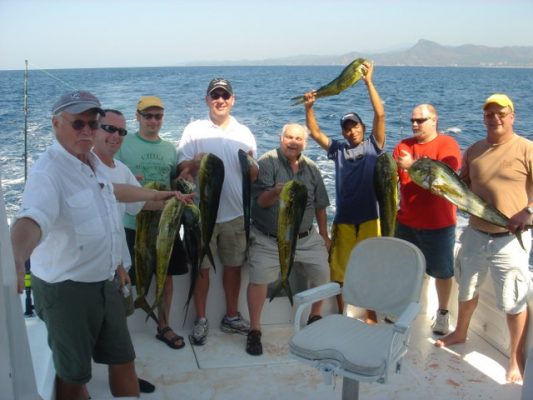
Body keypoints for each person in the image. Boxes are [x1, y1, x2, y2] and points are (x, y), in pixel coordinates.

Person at [10, 91, 141, 399]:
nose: (87, 130)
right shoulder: (48, 173)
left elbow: (107, 216)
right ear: (56, 124)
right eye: (78, 122)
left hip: (106, 282)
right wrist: (16, 258)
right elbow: (33, 218)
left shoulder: (94, 163)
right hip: (64, 291)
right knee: (73, 375)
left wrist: (118, 264)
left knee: (124, 358)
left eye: (93, 124)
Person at [93, 109, 193, 393]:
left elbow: (139, 203)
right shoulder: (83, 166)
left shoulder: (120, 171)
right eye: (108, 129)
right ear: (94, 130)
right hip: (88, 268)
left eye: (120, 132)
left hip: (116, 263)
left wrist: (174, 200)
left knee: (117, 326)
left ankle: (122, 378)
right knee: (95, 329)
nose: (115, 136)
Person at [435, 94, 533, 384]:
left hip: (510, 237)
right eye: (489, 114)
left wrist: (527, 211)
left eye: (501, 113)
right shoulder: (475, 150)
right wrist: (440, 183)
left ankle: (515, 358)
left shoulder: (527, 148)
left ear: (512, 116)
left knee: (514, 299)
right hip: (476, 233)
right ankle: (461, 331)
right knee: (467, 287)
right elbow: (462, 185)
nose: (495, 119)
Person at [303, 61, 385, 320]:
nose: (352, 130)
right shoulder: (337, 150)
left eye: (355, 125)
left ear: (362, 127)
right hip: (344, 219)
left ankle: (371, 313)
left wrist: (368, 82)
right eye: (347, 127)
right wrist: (309, 107)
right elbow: (315, 133)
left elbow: (380, 115)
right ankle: (342, 313)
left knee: (370, 268)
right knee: (339, 271)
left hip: (371, 218)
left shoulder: (374, 145)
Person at [178, 78, 257, 345]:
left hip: (235, 215)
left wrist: (252, 165)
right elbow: (182, 170)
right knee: (201, 269)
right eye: (215, 95)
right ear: (207, 100)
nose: (220, 100)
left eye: (225, 95)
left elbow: (253, 174)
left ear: (232, 100)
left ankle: (232, 317)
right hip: (201, 214)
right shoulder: (194, 130)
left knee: (233, 267)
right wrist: (193, 162)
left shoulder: (243, 132)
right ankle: (201, 319)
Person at [245, 123, 330, 355]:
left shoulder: (312, 168)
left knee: (323, 273)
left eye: (299, 139)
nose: (294, 142)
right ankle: (254, 330)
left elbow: (321, 205)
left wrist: (324, 235)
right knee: (259, 278)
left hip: (305, 238)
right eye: (289, 137)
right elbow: (259, 202)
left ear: (305, 143)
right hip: (268, 238)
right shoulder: (267, 162)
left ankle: (315, 316)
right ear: (281, 139)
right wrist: (274, 192)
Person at [116, 96, 188, 350]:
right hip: (132, 225)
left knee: (165, 277)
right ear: (137, 117)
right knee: (126, 279)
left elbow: (172, 183)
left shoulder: (170, 149)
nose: (153, 120)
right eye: (148, 116)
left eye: (158, 116)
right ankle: (117, 331)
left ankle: (164, 325)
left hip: (164, 228)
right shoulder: (123, 144)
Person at [393, 104, 461, 335]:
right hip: (405, 222)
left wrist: (412, 165)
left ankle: (442, 313)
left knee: (442, 271)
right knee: (404, 268)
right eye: (413, 120)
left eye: (420, 120)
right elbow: (392, 178)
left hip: (439, 225)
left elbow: (442, 182)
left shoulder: (447, 145)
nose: (415, 124)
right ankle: (403, 307)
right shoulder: (403, 146)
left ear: (434, 120)